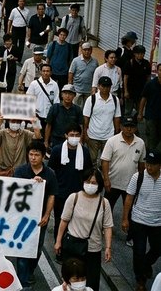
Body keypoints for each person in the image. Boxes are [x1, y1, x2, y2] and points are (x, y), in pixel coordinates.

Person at [53, 169, 113, 291]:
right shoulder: (73, 198)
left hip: (92, 249)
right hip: (72, 246)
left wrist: (108, 247)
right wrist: (58, 241)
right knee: (70, 281)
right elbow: (64, 220)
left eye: (94, 182)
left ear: (99, 184)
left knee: (91, 282)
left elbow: (107, 226)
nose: (90, 185)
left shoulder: (104, 203)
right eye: (87, 181)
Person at [14, 141, 58, 288]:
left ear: (43, 156)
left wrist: (46, 216)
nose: (33, 158)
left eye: (36, 155)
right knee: (22, 250)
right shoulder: (20, 171)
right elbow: (14, 192)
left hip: (39, 220)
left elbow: (52, 195)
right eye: (31, 154)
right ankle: (23, 282)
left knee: (37, 249)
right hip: (22, 218)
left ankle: (30, 270)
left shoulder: (50, 174)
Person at [101, 115, 145, 243]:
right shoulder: (112, 141)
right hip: (113, 182)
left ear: (136, 128)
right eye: (126, 126)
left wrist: (140, 182)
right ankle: (104, 228)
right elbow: (105, 161)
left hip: (131, 185)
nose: (129, 129)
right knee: (107, 208)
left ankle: (130, 237)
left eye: (132, 127)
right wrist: (106, 179)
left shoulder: (141, 143)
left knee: (132, 212)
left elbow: (142, 165)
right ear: (121, 127)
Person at [122, 150, 161, 291]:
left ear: (160, 165)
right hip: (138, 220)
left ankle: (145, 264)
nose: (148, 167)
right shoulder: (138, 177)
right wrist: (125, 218)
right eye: (147, 164)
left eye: (152, 165)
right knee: (138, 251)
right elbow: (129, 198)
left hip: (157, 223)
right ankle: (140, 281)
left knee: (157, 248)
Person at [48, 124, 94, 237]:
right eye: (71, 135)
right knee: (59, 222)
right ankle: (58, 246)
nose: (74, 137)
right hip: (60, 194)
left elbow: (89, 173)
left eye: (77, 135)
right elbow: (51, 171)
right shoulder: (57, 150)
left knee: (76, 223)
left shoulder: (85, 152)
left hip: (78, 195)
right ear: (66, 135)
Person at [83, 76, 122, 163]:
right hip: (93, 136)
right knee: (91, 160)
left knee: (106, 161)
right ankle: (92, 176)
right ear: (98, 86)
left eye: (107, 86)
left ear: (110, 87)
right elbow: (86, 118)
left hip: (109, 136)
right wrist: (85, 134)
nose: (105, 88)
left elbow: (117, 118)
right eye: (103, 86)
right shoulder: (91, 99)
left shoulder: (115, 100)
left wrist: (116, 133)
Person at [45, 84, 83, 151]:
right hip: (56, 140)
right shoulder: (54, 108)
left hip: (72, 140)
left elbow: (80, 126)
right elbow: (48, 125)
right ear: (62, 95)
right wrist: (46, 141)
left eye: (70, 94)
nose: (67, 96)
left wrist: (80, 141)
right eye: (65, 93)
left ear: (74, 96)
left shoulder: (77, 109)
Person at [27, 63, 60, 132]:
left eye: (47, 71)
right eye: (44, 71)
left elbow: (56, 101)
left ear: (51, 72)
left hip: (49, 116)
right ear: (40, 72)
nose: (45, 73)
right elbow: (28, 99)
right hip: (37, 115)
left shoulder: (54, 85)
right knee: (36, 136)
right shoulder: (34, 84)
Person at [138, 63, 161, 152]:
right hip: (151, 115)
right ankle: (150, 157)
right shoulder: (150, 84)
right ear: (157, 71)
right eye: (160, 70)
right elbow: (144, 98)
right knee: (151, 137)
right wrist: (140, 113)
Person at [69, 42, 98, 108]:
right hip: (77, 89)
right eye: (85, 50)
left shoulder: (95, 61)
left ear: (91, 50)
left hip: (89, 90)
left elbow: (97, 75)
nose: (87, 52)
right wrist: (70, 86)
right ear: (81, 50)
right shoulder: (76, 60)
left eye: (88, 50)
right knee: (76, 107)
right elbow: (71, 73)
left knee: (87, 108)